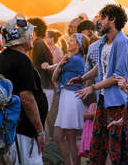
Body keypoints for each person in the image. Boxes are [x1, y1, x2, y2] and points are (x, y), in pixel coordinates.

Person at [69, 4, 128, 165]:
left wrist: (92, 87)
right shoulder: (104, 41)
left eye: (103, 18)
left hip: (117, 102)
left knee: (115, 148)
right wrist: (83, 78)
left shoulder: (122, 42)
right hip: (103, 99)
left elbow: (118, 76)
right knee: (96, 146)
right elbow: (101, 67)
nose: (99, 22)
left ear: (113, 19)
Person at [0, 17, 46, 165]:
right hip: (21, 132)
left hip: (7, 130)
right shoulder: (22, 60)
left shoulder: (0, 58)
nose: (32, 36)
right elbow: (26, 99)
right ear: (21, 38)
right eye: (29, 33)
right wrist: (39, 131)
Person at [51, 33, 89, 165]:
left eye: (71, 41)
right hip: (67, 98)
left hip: (72, 98)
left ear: (78, 45)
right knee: (58, 136)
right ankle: (68, 162)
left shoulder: (75, 60)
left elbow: (54, 77)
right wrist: (60, 64)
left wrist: (60, 65)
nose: (68, 42)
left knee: (70, 138)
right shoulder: (69, 59)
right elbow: (54, 78)